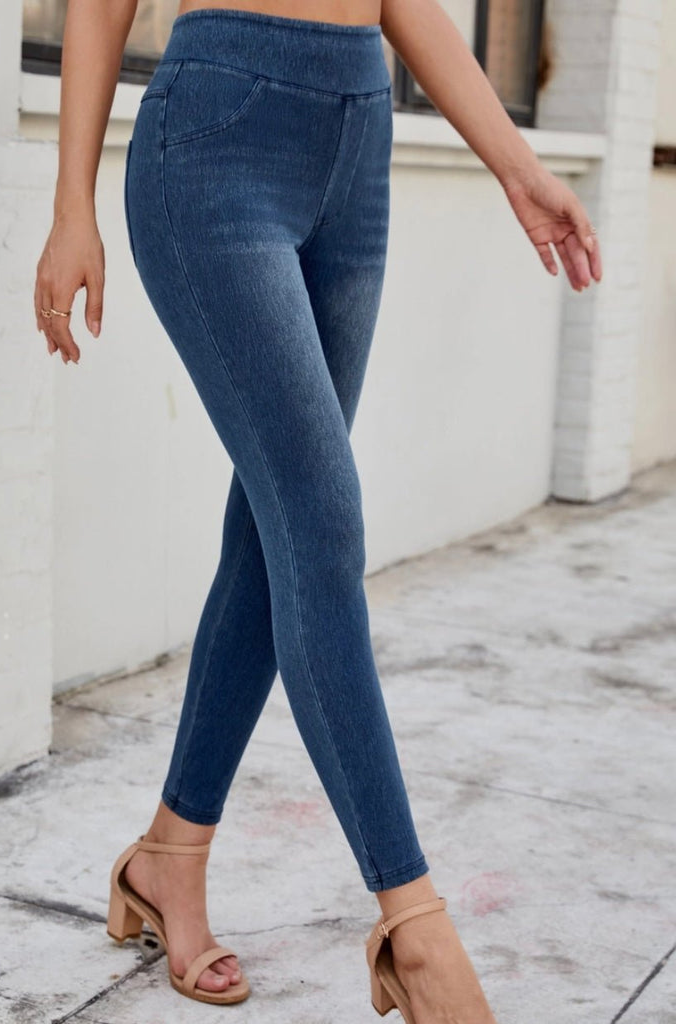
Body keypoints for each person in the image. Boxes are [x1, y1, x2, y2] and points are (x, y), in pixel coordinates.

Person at [34, 0, 603, 1020]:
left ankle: (168, 856)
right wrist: (71, 201)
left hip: (357, 141)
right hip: (214, 141)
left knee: (277, 533)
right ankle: (414, 926)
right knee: (321, 523)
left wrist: (518, 167)